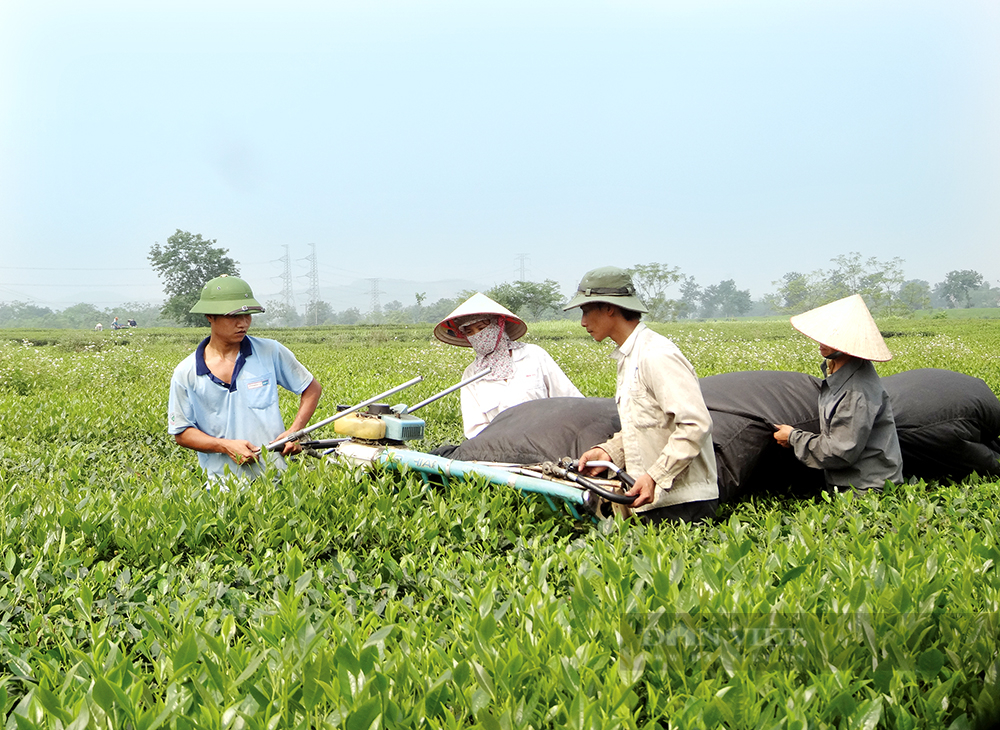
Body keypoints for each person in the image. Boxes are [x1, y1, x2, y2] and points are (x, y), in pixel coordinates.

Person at [564, 266, 718, 524]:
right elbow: (646, 426)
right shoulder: (630, 357)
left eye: (586, 310)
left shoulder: (656, 355)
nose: (583, 322)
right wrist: (609, 452)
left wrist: (655, 476)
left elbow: (695, 424)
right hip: (653, 500)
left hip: (682, 503)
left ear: (609, 308)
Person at [168, 274, 323, 482]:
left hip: (276, 480)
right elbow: (182, 432)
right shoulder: (186, 372)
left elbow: (311, 389)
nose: (243, 323)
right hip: (221, 488)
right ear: (210, 316)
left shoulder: (270, 352)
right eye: (233, 317)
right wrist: (225, 445)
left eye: (247, 315)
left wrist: (294, 432)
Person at [773, 294, 903, 493]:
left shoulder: (856, 391)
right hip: (845, 484)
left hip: (865, 489)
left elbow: (841, 451)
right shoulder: (840, 372)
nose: (821, 341)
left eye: (831, 336)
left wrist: (793, 437)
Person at [435, 292, 584, 438]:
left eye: (482, 328)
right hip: (502, 453)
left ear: (498, 325)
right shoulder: (472, 374)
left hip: (548, 441)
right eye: (470, 332)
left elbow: (570, 400)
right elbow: (475, 428)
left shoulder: (534, 355)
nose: (478, 335)